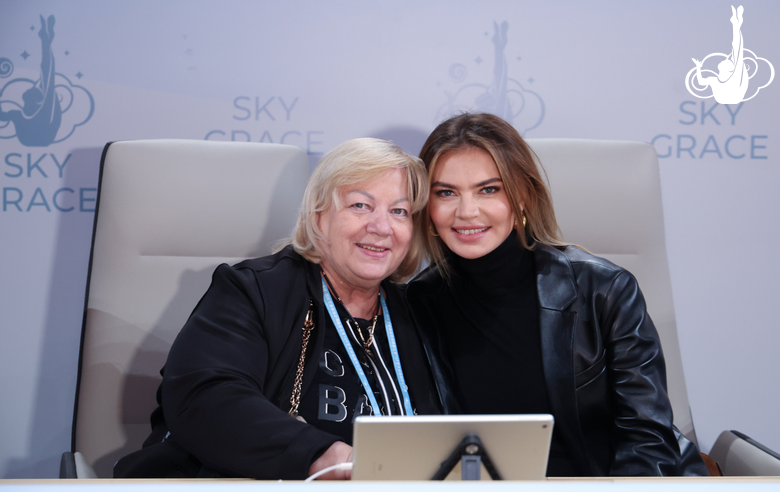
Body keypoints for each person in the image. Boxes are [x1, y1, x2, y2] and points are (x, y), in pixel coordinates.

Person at [114, 138, 441, 480]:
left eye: (399, 211)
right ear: (319, 215)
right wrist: (324, 456)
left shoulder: (418, 315)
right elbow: (204, 397)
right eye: (360, 205)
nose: (382, 227)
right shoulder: (254, 290)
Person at [407, 113, 708, 477]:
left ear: (521, 195)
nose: (467, 211)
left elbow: (647, 439)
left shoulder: (604, 290)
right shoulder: (415, 304)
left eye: (489, 189)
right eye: (446, 192)